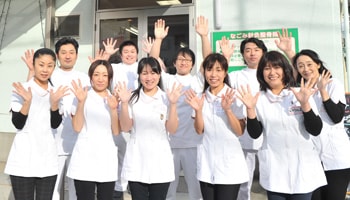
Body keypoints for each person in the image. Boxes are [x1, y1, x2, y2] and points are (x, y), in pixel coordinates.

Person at [237, 51, 327, 200]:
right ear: (261, 73)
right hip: (275, 170)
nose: (272, 72)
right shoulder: (258, 99)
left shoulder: (300, 93)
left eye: (276, 67)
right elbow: (255, 134)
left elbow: (315, 129)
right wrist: (250, 109)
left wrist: (304, 104)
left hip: (303, 169)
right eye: (267, 68)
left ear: (285, 69)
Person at [149, 16, 211, 200]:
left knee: (195, 190)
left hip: (194, 144)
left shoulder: (197, 81)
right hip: (170, 143)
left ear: (192, 64)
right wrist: (159, 39)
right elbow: (153, 61)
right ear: (174, 63)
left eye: (187, 60)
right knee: (169, 189)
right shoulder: (167, 80)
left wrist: (204, 36)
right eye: (180, 60)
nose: (183, 62)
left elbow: (209, 61)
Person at [21, 37, 91, 200]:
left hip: (78, 142)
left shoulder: (84, 78)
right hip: (53, 141)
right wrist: (31, 71)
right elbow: (29, 94)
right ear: (57, 55)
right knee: (52, 190)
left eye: (71, 52)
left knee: (76, 190)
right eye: (64, 52)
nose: (68, 56)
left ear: (77, 55)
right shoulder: (49, 75)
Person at [5, 48, 69, 200]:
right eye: (41, 65)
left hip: (47, 159)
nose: (45, 69)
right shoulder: (22, 88)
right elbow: (18, 123)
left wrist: (54, 104)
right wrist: (27, 102)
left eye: (50, 65)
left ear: (54, 67)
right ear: (33, 65)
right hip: (23, 159)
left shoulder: (56, 92)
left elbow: (55, 124)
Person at [116, 57, 182, 200]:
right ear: (139, 75)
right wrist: (124, 104)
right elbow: (126, 127)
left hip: (160, 161)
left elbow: (172, 129)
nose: (149, 77)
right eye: (144, 73)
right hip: (137, 160)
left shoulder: (167, 98)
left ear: (159, 74)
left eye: (153, 73)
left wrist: (174, 105)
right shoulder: (131, 98)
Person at [185, 53, 249, 200]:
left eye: (218, 70)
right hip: (207, 164)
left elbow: (239, 131)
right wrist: (198, 110)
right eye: (209, 69)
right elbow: (199, 130)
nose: (213, 74)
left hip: (229, 164)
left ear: (225, 72)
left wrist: (228, 110)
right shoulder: (200, 98)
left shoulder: (233, 96)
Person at [292, 49, 350, 200]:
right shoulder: (300, 90)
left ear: (318, 65)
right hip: (311, 159)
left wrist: (323, 90)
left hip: (336, 157)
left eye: (309, 64)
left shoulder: (333, 84)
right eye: (301, 66)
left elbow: (336, 117)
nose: (306, 69)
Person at [67, 60, 120, 200]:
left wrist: (114, 109)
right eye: (96, 74)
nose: (100, 79)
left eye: (104, 75)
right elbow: (77, 127)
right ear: (91, 77)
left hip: (106, 157)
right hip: (84, 157)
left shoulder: (113, 98)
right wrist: (81, 102)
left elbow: (116, 131)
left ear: (109, 78)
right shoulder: (82, 95)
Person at [225, 37, 267, 200]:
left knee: (272, 178)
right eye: (248, 50)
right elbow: (221, 82)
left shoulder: (270, 74)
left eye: (256, 49)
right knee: (244, 180)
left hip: (269, 134)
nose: (252, 54)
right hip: (245, 134)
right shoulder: (236, 76)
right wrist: (226, 57)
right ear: (242, 54)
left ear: (263, 52)